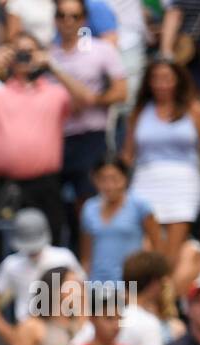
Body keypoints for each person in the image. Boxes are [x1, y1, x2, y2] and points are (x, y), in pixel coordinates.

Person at [0, 33, 89, 242]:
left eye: (30, 51)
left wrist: (53, 66)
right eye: (19, 51)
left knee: (49, 246)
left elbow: (85, 101)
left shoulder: (55, 92)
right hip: (3, 184)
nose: (25, 57)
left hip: (44, 185)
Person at [48, 0, 127, 235]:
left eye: (74, 16)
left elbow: (122, 92)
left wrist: (93, 100)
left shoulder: (101, 50)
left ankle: (88, 259)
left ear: (83, 20)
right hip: (56, 138)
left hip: (91, 137)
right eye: (62, 16)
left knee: (89, 203)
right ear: (55, 20)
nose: (68, 21)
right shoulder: (47, 55)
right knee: (57, 208)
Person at [121, 58, 200, 262]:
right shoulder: (139, 112)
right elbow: (127, 154)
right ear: (149, 82)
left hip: (183, 180)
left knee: (173, 249)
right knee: (147, 247)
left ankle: (169, 291)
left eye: (167, 78)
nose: (161, 84)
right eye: (156, 79)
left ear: (177, 81)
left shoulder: (193, 109)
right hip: (145, 180)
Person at [0, 209, 83, 336]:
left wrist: (78, 326)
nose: (33, 251)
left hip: (61, 328)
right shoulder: (11, 264)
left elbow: (83, 294)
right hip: (26, 328)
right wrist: (7, 332)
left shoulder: (64, 258)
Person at [80, 157, 160, 286]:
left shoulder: (139, 205)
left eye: (115, 179)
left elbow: (157, 245)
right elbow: (86, 256)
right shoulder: (89, 208)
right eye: (103, 179)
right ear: (95, 180)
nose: (109, 186)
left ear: (125, 178)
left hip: (131, 285)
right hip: (96, 286)